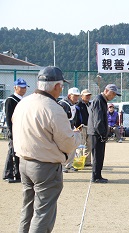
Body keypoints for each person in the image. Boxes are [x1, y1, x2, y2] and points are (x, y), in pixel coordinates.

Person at [12, 66, 81, 232]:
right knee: (43, 213)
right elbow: (67, 143)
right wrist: (77, 135)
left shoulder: (24, 102)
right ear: (57, 86)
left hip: (24, 161)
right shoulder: (53, 108)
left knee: (27, 209)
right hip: (45, 165)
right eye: (61, 86)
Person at [88, 84, 121, 183]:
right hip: (96, 133)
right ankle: (95, 176)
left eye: (115, 94)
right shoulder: (99, 100)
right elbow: (98, 120)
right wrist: (102, 134)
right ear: (106, 91)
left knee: (100, 155)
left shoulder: (102, 100)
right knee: (97, 155)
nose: (113, 96)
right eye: (112, 93)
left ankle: (98, 175)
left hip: (97, 132)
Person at [2, 78, 28, 183]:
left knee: (19, 153)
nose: (23, 89)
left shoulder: (22, 100)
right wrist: (11, 132)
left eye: (24, 87)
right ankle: (9, 174)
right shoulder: (11, 100)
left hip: (22, 130)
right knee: (12, 152)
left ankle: (18, 174)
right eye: (21, 87)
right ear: (15, 87)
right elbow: (8, 118)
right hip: (14, 130)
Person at [59, 87, 81, 172]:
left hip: (71, 129)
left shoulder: (73, 105)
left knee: (73, 147)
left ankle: (69, 165)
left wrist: (75, 127)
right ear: (69, 95)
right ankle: (63, 165)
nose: (76, 97)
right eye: (74, 96)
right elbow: (61, 119)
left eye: (77, 96)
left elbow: (73, 118)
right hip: (64, 130)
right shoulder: (63, 104)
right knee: (64, 148)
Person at [75, 89, 93, 166]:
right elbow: (76, 117)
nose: (88, 97)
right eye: (86, 95)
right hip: (81, 127)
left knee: (89, 144)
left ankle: (87, 161)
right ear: (82, 96)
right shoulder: (78, 105)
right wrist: (77, 126)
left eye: (89, 95)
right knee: (81, 145)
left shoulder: (90, 104)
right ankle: (79, 161)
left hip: (90, 127)